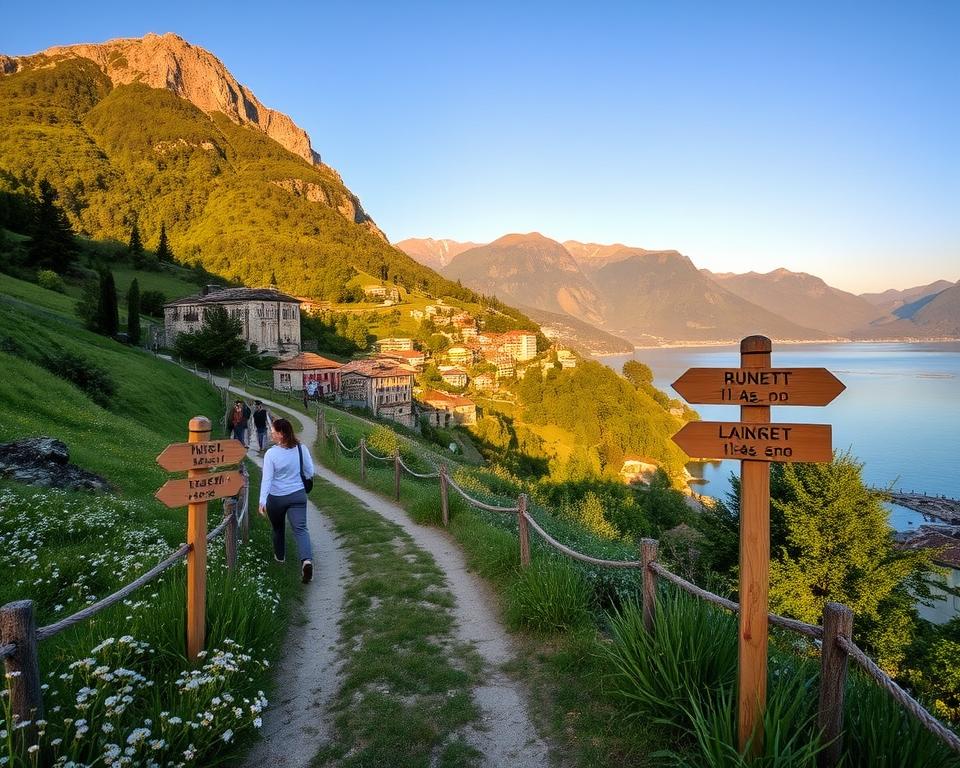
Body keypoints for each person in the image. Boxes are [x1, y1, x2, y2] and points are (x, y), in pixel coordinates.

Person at [259, 418, 314, 583]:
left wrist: (262, 500)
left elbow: (267, 479)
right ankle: (306, 561)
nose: (271, 433)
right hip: (297, 495)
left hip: (276, 498)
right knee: (301, 530)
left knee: (278, 529)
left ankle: (280, 559)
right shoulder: (301, 449)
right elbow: (310, 471)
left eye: (274, 431)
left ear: (281, 434)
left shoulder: (271, 454)